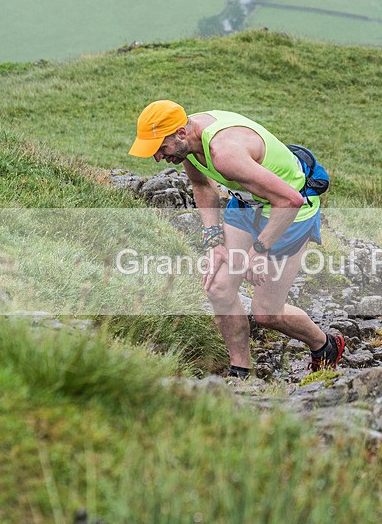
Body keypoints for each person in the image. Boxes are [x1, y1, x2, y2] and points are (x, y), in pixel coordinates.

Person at [129, 100, 345, 376]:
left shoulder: (224, 152)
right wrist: (213, 241)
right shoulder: (188, 142)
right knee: (218, 288)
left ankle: (325, 346)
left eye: (160, 148)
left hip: (290, 210)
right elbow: (201, 184)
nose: (158, 157)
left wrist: (260, 249)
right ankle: (240, 371)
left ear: (180, 133)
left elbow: (290, 200)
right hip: (247, 204)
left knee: (267, 312)